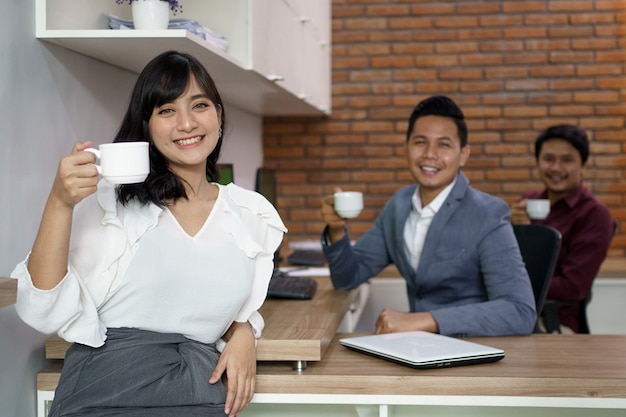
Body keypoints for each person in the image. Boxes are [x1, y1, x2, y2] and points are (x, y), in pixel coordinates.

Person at [11, 51, 286, 417]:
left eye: (199, 105)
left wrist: (245, 332)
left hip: (199, 394)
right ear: (147, 126)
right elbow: (44, 309)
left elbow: (239, 303)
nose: (186, 123)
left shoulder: (252, 214)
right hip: (107, 391)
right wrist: (60, 202)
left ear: (218, 114)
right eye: (167, 111)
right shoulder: (114, 203)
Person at [320, 95, 536, 337]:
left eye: (444, 145)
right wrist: (337, 230)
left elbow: (519, 311)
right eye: (420, 142)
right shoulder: (398, 206)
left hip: (476, 349)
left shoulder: (488, 214)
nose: (429, 154)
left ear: (463, 154)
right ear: (406, 147)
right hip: (419, 351)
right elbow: (348, 277)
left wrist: (425, 320)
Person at [510, 124, 614, 333]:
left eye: (567, 160)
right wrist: (512, 228)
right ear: (538, 162)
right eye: (548, 159)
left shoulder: (594, 214)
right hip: (513, 311)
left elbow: (573, 287)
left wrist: (510, 284)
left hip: (554, 324)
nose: (556, 168)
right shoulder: (527, 202)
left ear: (583, 165)